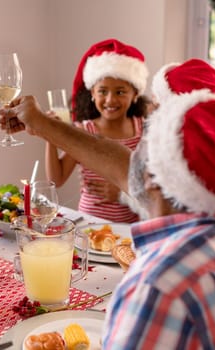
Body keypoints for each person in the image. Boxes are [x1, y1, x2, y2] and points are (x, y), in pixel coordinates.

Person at [0, 58, 215, 348]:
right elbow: (124, 167)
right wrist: (41, 124)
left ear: (152, 175)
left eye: (150, 137)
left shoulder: (157, 286)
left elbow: (127, 170)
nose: (135, 152)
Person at [45, 38, 149, 223]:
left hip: (130, 227)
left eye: (120, 92)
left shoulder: (143, 130)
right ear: (92, 93)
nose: (110, 100)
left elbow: (151, 181)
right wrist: (50, 135)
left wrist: (123, 193)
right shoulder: (84, 131)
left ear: (135, 94)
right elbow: (57, 179)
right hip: (90, 225)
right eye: (102, 91)